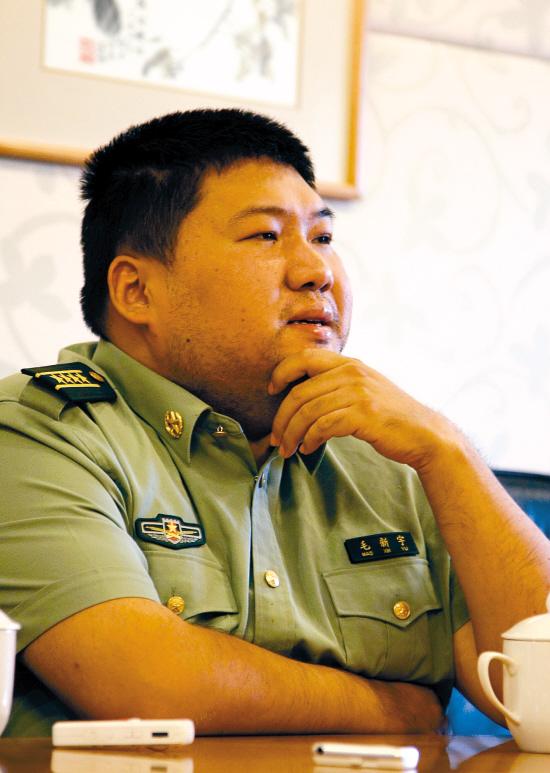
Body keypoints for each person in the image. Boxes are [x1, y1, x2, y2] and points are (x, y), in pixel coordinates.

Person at [0, 109, 549, 738]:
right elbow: (147, 683)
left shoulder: (393, 455)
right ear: (137, 291)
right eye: (266, 236)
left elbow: (541, 699)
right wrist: (400, 709)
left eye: (323, 237)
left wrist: (448, 453)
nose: (316, 271)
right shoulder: (37, 433)